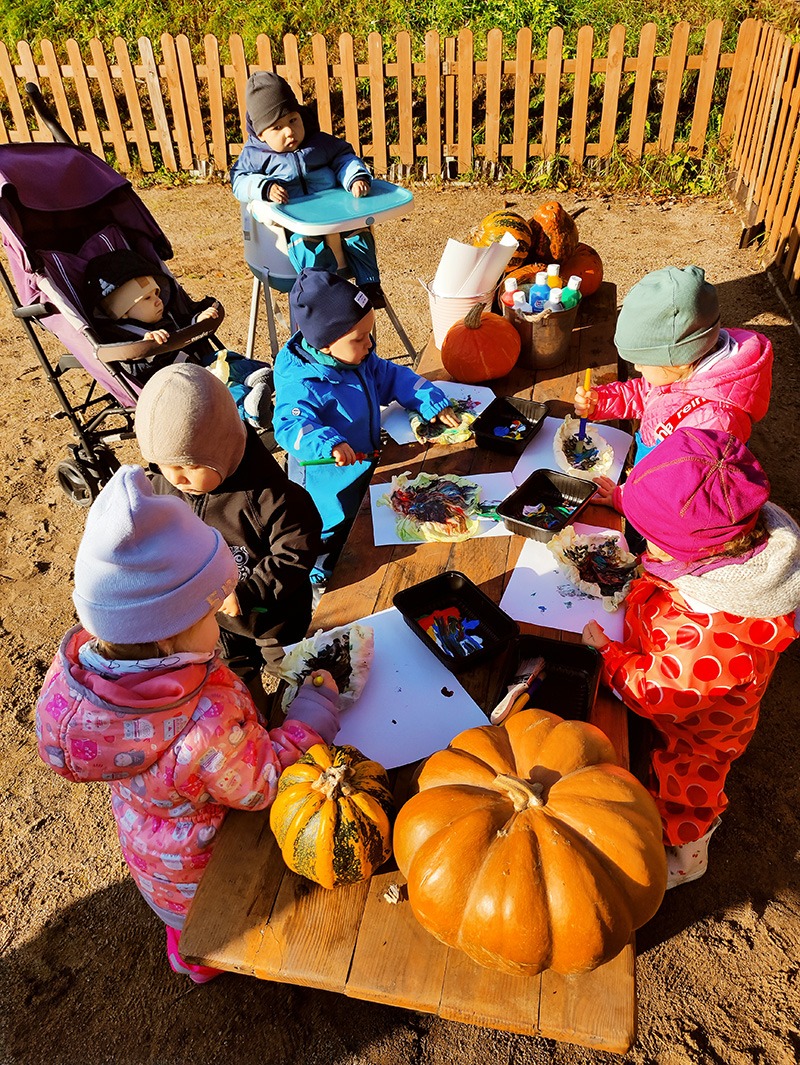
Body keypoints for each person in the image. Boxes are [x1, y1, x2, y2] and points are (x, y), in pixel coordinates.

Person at [35, 465, 340, 983]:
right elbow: (260, 783)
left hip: (151, 856)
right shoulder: (206, 720)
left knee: (180, 924)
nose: (223, 616)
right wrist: (312, 715)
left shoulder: (81, 681)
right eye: (212, 610)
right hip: (205, 866)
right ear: (171, 634)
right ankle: (207, 958)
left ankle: (184, 953)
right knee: (219, 923)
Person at [581, 428, 800, 889]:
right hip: (687, 679)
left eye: (651, 542)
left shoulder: (705, 639)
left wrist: (609, 655)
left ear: (691, 561)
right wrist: (627, 501)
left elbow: (657, 695)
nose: (646, 548)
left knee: (686, 790)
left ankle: (688, 853)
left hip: (701, 730)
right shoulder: (731, 545)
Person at [134, 363, 323, 684]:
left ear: (224, 448)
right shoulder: (167, 488)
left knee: (295, 674)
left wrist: (248, 591)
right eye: (166, 465)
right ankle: (255, 720)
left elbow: (296, 550)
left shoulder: (271, 496)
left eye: (190, 465)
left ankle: (300, 716)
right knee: (235, 680)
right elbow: (158, 535)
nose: (178, 477)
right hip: (215, 623)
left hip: (276, 618)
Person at [272, 268, 460, 585]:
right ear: (326, 344)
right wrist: (327, 443)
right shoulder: (302, 384)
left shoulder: (359, 359)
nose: (370, 344)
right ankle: (318, 575)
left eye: (370, 334)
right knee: (329, 528)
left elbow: (393, 377)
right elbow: (290, 425)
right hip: (325, 484)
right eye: (359, 339)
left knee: (360, 522)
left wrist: (429, 399)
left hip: (363, 467)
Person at [574, 265, 773, 475]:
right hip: (650, 474)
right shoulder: (676, 371)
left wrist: (626, 498)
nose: (636, 367)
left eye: (642, 361)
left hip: (663, 496)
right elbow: (646, 393)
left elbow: (687, 490)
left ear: (679, 361)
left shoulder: (714, 424)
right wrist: (601, 400)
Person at [230, 71, 385, 306]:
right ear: (261, 134)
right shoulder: (255, 156)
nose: (289, 132)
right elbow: (239, 180)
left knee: (359, 233)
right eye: (277, 128)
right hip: (295, 226)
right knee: (309, 247)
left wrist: (355, 177)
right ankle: (323, 295)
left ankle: (370, 285)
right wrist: (264, 187)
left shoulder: (319, 143)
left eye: (293, 120)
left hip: (335, 214)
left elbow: (344, 158)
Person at [83, 248, 273, 425]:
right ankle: (248, 407)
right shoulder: (123, 334)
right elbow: (133, 366)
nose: (158, 301)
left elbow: (183, 323)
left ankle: (254, 377)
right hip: (177, 385)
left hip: (200, 364)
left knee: (225, 358)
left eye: (156, 294)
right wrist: (147, 344)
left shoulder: (165, 315)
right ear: (123, 312)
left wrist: (198, 318)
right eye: (147, 299)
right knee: (215, 391)